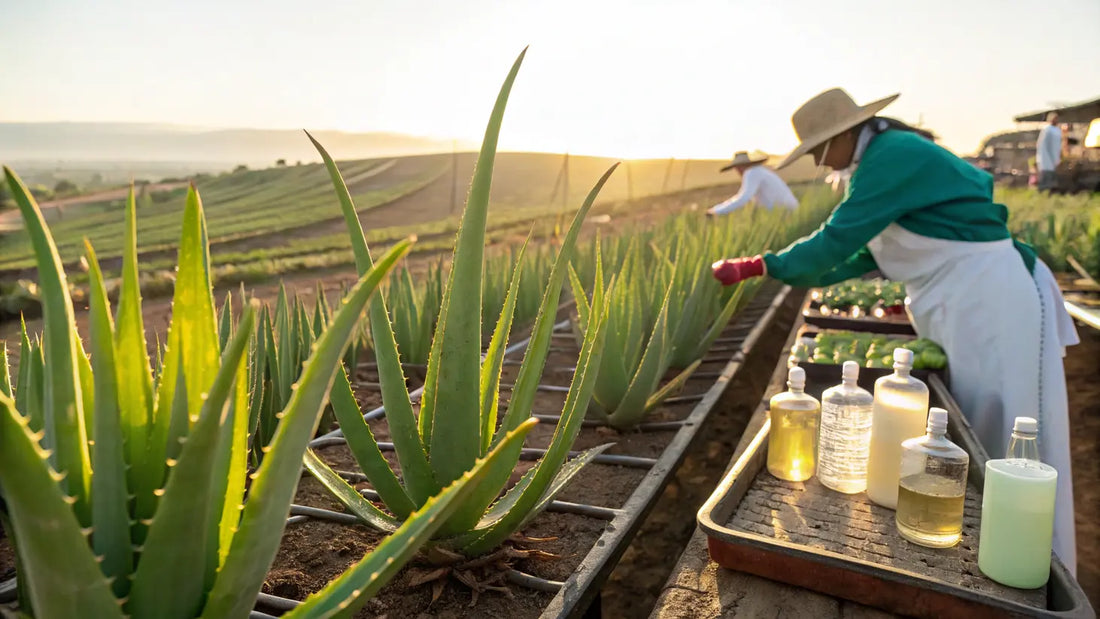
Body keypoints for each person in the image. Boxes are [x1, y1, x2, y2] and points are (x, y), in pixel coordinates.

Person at [711, 88, 1080, 574]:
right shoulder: (881, 163)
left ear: (844, 133)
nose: (822, 163)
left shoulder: (892, 156)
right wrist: (778, 269)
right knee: (979, 421)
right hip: (968, 300)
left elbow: (836, 238)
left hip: (995, 299)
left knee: (1013, 426)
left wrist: (763, 263)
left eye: (820, 149)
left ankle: (1039, 561)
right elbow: (856, 256)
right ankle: (994, 543)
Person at [706, 151, 799, 215]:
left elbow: (743, 198)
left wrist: (715, 211)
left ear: (741, 166)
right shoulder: (760, 171)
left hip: (784, 214)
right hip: (788, 212)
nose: (737, 170)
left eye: (738, 167)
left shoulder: (752, 173)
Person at [1036, 112, 1063, 193]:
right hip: (1046, 156)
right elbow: (1043, 144)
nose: (1056, 120)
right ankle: (1042, 190)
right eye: (1054, 119)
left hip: (1055, 156)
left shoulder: (1057, 130)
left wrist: (1057, 156)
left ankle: (1050, 191)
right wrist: (1050, 156)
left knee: (1051, 174)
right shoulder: (1047, 129)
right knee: (1046, 174)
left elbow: (1057, 144)